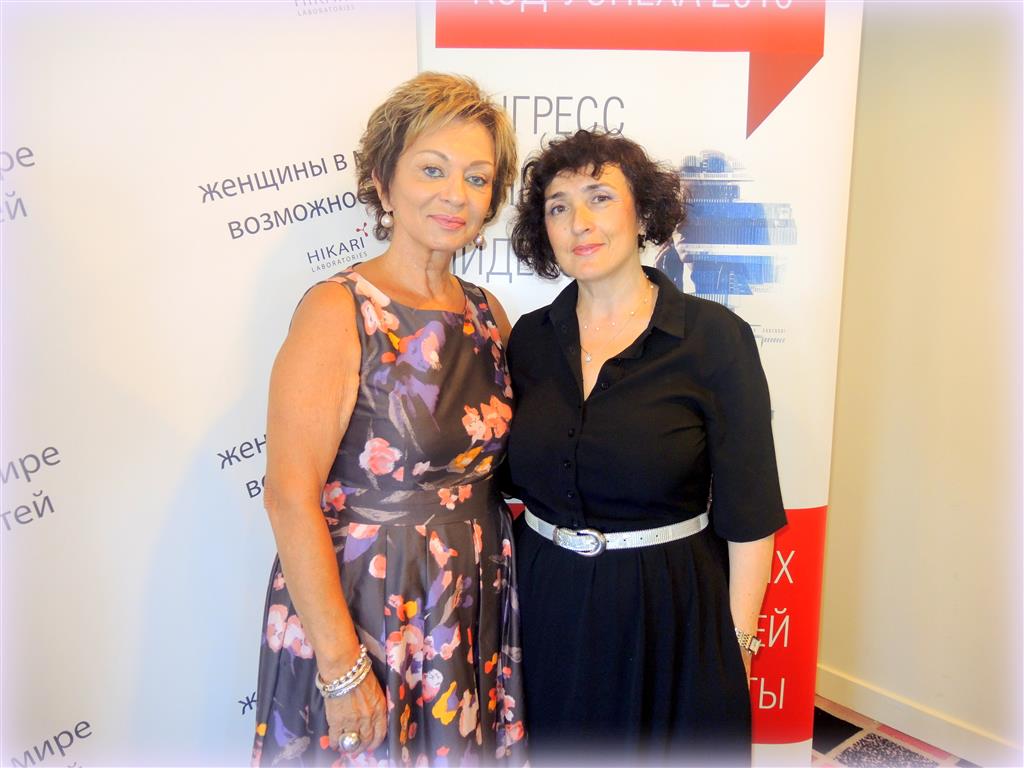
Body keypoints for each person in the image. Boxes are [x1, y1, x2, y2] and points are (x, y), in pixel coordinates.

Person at [251, 73, 526, 767]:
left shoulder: (488, 313)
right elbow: (288, 496)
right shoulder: (339, 310)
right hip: (367, 613)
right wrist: (342, 668)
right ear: (383, 181)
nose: (455, 194)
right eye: (432, 169)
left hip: (468, 605)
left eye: (476, 178)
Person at [506, 129, 787, 766]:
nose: (579, 222)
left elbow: (749, 513)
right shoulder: (528, 340)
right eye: (558, 206)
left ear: (643, 213)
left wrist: (737, 645)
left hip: (670, 610)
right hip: (546, 603)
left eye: (600, 197)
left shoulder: (715, 339)